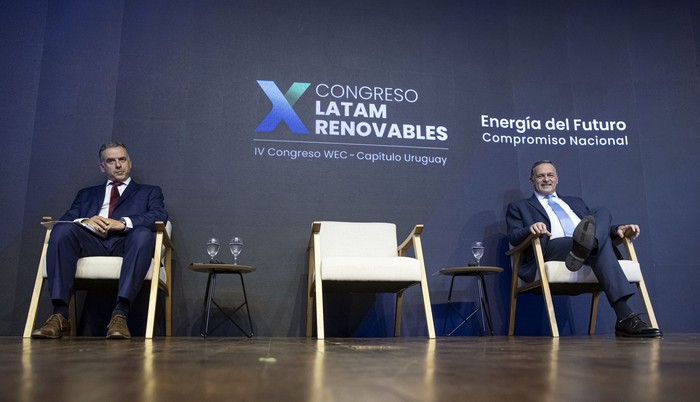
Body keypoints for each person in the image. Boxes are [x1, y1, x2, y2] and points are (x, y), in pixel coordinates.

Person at [506, 160, 661, 337]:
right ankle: (625, 316)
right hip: (550, 248)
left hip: (578, 251)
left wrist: (617, 231)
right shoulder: (519, 207)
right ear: (531, 180)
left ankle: (587, 246)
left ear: (557, 179)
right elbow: (513, 236)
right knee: (593, 241)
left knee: (601, 211)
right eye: (540, 176)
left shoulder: (575, 202)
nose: (546, 179)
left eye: (550, 175)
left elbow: (591, 228)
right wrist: (531, 228)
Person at [31, 141, 168, 339]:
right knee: (61, 230)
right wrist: (86, 220)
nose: (118, 165)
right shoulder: (86, 194)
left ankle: (120, 314)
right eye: (111, 161)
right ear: (102, 167)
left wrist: (122, 223)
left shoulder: (149, 191)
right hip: (91, 243)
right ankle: (59, 315)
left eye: (122, 160)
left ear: (130, 163)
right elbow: (68, 218)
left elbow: (158, 216)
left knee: (143, 234)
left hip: (126, 242)